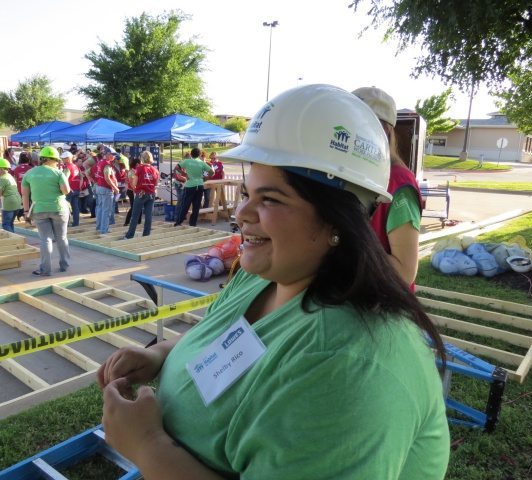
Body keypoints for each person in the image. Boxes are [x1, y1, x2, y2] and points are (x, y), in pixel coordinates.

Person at [98, 85, 449, 479]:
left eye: (271, 199)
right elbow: (220, 337)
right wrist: (160, 355)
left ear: (338, 221)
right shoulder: (261, 276)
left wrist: (147, 447)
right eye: (247, 192)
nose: (241, 212)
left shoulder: (349, 365)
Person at [353, 86, 423, 291]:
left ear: (384, 131)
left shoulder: (399, 184)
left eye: (360, 125)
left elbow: (405, 272)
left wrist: (344, 243)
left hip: (383, 307)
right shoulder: (351, 174)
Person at [21, 146, 71, 276]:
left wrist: (26, 212)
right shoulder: (58, 172)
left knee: (45, 240)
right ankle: (64, 265)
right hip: (59, 208)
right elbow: (66, 191)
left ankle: (45, 269)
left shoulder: (30, 173)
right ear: (53, 159)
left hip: (39, 210)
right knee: (62, 237)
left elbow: (25, 195)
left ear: (42, 159)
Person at [173, 147, 213, 227]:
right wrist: (206, 178)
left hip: (190, 185)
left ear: (191, 154)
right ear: (199, 155)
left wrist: (184, 174)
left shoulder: (187, 161)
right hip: (200, 185)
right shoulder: (201, 163)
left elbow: (176, 168)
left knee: (185, 204)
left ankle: (179, 222)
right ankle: (193, 223)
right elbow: (212, 172)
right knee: (196, 205)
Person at [124, 150, 159, 239]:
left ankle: (129, 235)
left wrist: (135, 190)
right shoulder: (155, 170)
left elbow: (134, 183)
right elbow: (155, 184)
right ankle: (146, 234)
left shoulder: (139, 168)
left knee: (135, 216)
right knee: (148, 216)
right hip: (151, 194)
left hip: (141, 193)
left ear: (142, 158)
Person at [0, 158, 21, 232]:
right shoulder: (9, 176)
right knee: (10, 223)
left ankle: (12, 240)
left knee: (6, 224)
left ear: (2, 169)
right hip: (17, 201)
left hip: (9, 202)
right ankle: (15, 239)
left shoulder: (2, 179)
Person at [94, 147, 119, 234]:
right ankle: (104, 230)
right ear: (108, 154)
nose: (114, 157)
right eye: (113, 155)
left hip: (99, 187)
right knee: (106, 210)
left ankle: (99, 227)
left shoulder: (100, 162)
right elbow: (107, 178)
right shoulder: (107, 164)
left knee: (100, 208)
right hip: (106, 188)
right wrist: (115, 188)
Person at [62, 151, 81, 227]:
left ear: (68, 159)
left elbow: (64, 179)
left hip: (69, 190)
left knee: (66, 207)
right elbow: (80, 177)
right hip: (76, 189)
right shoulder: (75, 166)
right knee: (75, 207)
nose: (62, 159)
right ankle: (76, 223)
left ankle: (66, 223)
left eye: (63, 158)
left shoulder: (67, 167)